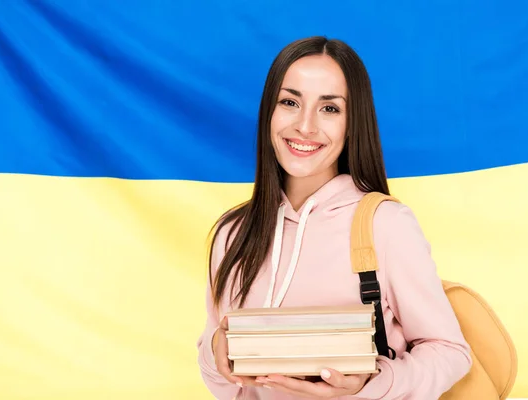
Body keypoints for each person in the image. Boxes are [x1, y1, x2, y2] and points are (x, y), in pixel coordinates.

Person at [196, 36, 471, 400]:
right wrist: (217, 350)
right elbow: (223, 380)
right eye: (290, 102)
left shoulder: (385, 225)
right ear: (269, 111)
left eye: (329, 109)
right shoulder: (233, 234)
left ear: (352, 122)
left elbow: (451, 353)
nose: (305, 126)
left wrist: (371, 382)